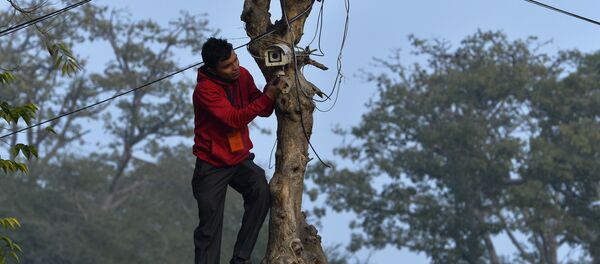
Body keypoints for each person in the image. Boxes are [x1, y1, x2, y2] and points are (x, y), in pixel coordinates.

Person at [191, 37, 285, 264]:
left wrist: (269, 92)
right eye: (227, 66)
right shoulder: (205, 90)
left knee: (261, 191)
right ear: (213, 69)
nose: (235, 67)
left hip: (238, 158)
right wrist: (268, 98)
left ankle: (240, 259)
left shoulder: (242, 75)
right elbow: (233, 119)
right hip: (211, 164)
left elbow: (261, 108)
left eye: (235, 60)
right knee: (209, 229)